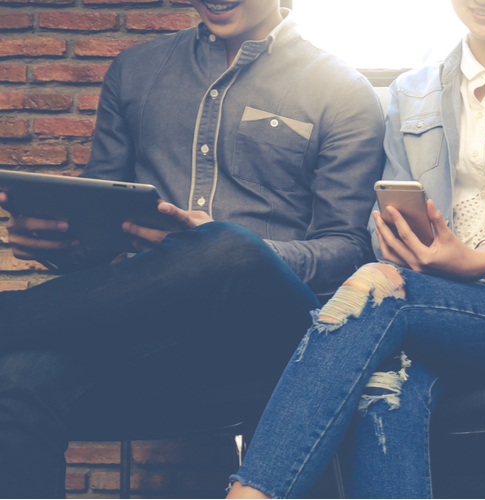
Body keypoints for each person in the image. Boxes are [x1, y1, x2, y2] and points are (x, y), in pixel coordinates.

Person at [224, 1, 485, 498]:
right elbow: (387, 209)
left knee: (376, 284)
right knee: (382, 382)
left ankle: (248, 495)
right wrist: (393, 237)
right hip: (434, 310)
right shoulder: (412, 91)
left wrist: (479, 258)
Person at [0, 0, 385, 496]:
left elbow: (350, 249)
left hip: (276, 339)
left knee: (226, 246)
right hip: (153, 333)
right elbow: (102, 225)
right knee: (17, 375)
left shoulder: (342, 88)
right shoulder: (136, 69)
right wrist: (61, 240)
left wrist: (226, 247)